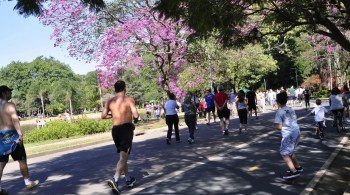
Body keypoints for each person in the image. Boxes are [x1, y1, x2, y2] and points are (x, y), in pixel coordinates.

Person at [101, 80, 139, 194]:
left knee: (123, 156)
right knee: (123, 157)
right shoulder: (129, 99)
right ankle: (115, 179)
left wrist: (112, 115)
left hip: (115, 130)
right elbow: (136, 115)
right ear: (124, 88)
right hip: (126, 129)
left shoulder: (110, 101)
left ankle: (128, 179)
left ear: (115, 89)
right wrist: (135, 119)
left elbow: (103, 115)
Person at [0, 85, 39, 194]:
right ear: (4, 93)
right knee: (21, 159)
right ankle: (27, 183)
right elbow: (14, 119)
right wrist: (20, 133)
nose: (10, 94)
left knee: (1, 163)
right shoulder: (10, 105)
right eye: (9, 91)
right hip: (13, 136)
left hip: (1, 138)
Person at [274, 91, 303, 179]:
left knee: (284, 153)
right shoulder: (291, 109)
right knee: (290, 151)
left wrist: (276, 127)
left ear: (277, 102)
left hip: (288, 134)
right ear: (286, 100)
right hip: (296, 131)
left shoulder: (279, 112)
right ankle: (298, 167)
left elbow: (279, 127)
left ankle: (293, 171)